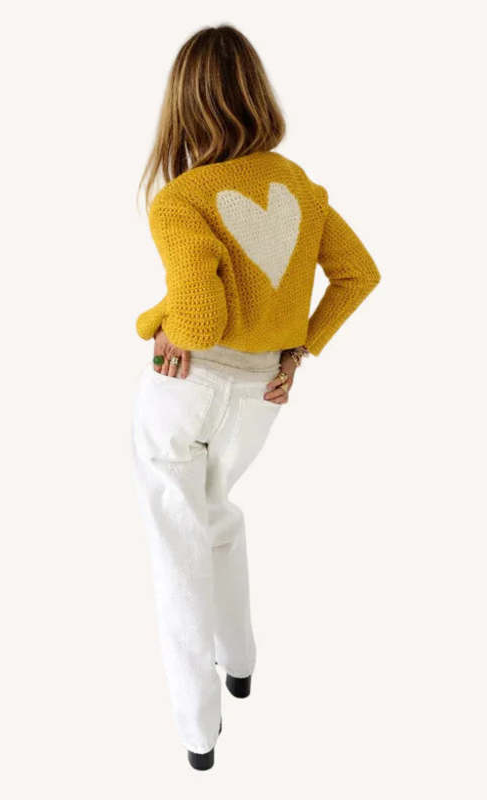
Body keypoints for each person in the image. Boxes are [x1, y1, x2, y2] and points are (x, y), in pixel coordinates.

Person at [129, 24, 381, 771]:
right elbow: (358, 274)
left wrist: (156, 325)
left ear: (184, 105)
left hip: (185, 390)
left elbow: (198, 318)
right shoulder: (299, 187)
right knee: (217, 515)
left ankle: (197, 732)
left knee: (175, 546)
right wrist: (299, 350)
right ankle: (239, 663)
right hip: (260, 394)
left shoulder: (182, 198)